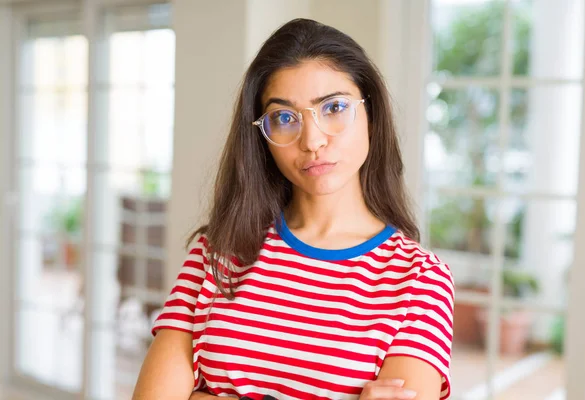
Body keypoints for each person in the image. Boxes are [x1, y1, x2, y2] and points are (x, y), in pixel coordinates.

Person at [133, 18, 454, 400]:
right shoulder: (216, 252)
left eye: (334, 107)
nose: (313, 140)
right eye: (284, 117)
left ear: (372, 113)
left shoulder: (419, 280)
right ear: (261, 136)